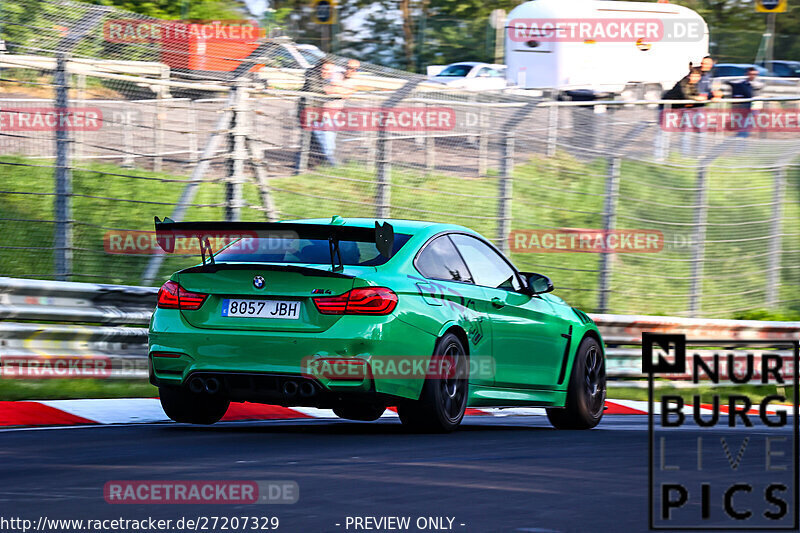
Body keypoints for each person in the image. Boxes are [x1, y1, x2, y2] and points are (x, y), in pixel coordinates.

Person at [295, 57, 353, 170]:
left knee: (311, 144)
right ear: (318, 68)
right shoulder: (312, 74)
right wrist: (334, 92)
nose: (326, 72)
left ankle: (306, 167)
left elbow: (334, 88)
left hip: (316, 114)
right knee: (317, 143)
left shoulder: (322, 78)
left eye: (329, 70)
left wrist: (337, 92)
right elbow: (315, 88)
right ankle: (332, 167)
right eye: (324, 69)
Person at [730, 67, 759, 138]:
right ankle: (739, 144)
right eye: (750, 74)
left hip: (754, 109)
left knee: (747, 128)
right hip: (744, 111)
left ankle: (740, 141)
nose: (752, 76)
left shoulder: (758, 85)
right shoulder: (741, 84)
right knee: (743, 129)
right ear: (747, 74)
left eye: (754, 74)